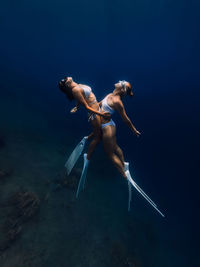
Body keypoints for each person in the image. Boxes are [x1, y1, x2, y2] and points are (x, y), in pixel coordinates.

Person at [58, 77, 109, 162]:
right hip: (94, 114)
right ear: (67, 84)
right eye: (66, 79)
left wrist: (77, 107)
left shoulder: (77, 85)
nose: (68, 77)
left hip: (97, 109)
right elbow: (87, 107)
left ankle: (86, 138)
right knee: (98, 137)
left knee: (99, 131)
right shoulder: (75, 90)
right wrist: (101, 114)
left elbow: (81, 97)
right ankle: (87, 157)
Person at [100, 80, 141, 178]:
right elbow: (98, 105)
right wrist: (90, 110)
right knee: (115, 147)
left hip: (107, 129)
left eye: (121, 82)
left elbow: (126, 119)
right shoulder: (110, 94)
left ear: (122, 89)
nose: (119, 81)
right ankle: (124, 164)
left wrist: (134, 130)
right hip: (109, 125)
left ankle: (125, 175)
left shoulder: (117, 101)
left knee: (110, 154)